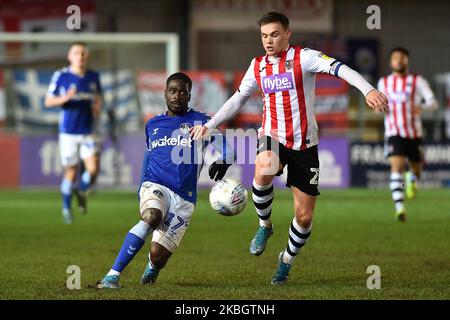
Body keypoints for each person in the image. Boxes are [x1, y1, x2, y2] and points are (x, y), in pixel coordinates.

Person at [190, 12, 389, 285]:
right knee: (263, 169)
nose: (268, 41)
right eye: (263, 36)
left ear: (287, 34)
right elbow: (238, 99)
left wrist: (368, 90)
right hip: (272, 134)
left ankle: (286, 260)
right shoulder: (257, 65)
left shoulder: (304, 57)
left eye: (274, 34)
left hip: (305, 144)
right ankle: (265, 227)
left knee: (304, 218)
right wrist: (211, 125)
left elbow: (341, 68)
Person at [97, 72, 235, 289]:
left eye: (182, 92)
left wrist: (225, 159)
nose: (177, 95)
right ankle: (112, 276)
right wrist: (141, 187)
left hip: (185, 197)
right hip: (155, 184)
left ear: (189, 96)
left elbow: (228, 149)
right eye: (173, 91)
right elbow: (148, 156)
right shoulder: (153, 124)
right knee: (152, 217)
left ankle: (152, 267)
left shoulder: (202, 122)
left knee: (158, 256)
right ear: (165, 94)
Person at [44, 42, 103, 224]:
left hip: (87, 130)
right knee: (71, 172)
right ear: (70, 56)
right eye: (77, 53)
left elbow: (99, 97)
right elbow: (48, 101)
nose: (81, 56)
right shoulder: (61, 76)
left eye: (84, 53)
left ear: (88, 56)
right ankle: (67, 209)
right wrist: (65, 98)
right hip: (68, 132)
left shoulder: (93, 76)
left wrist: (97, 108)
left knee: (93, 169)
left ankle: (82, 191)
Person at [377, 47, 437, 222]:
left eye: (402, 58)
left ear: (407, 61)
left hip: (414, 133)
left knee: (416, 170)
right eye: (395, 58)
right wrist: (378, 108)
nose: (399, 60)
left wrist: (422, 108)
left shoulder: (418, 81)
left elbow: (433, 103)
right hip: (394, 131)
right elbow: (380, 104)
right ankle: (399, 208)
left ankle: (412, 180)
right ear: (391, 62)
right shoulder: (384, 82)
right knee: (397, 166)